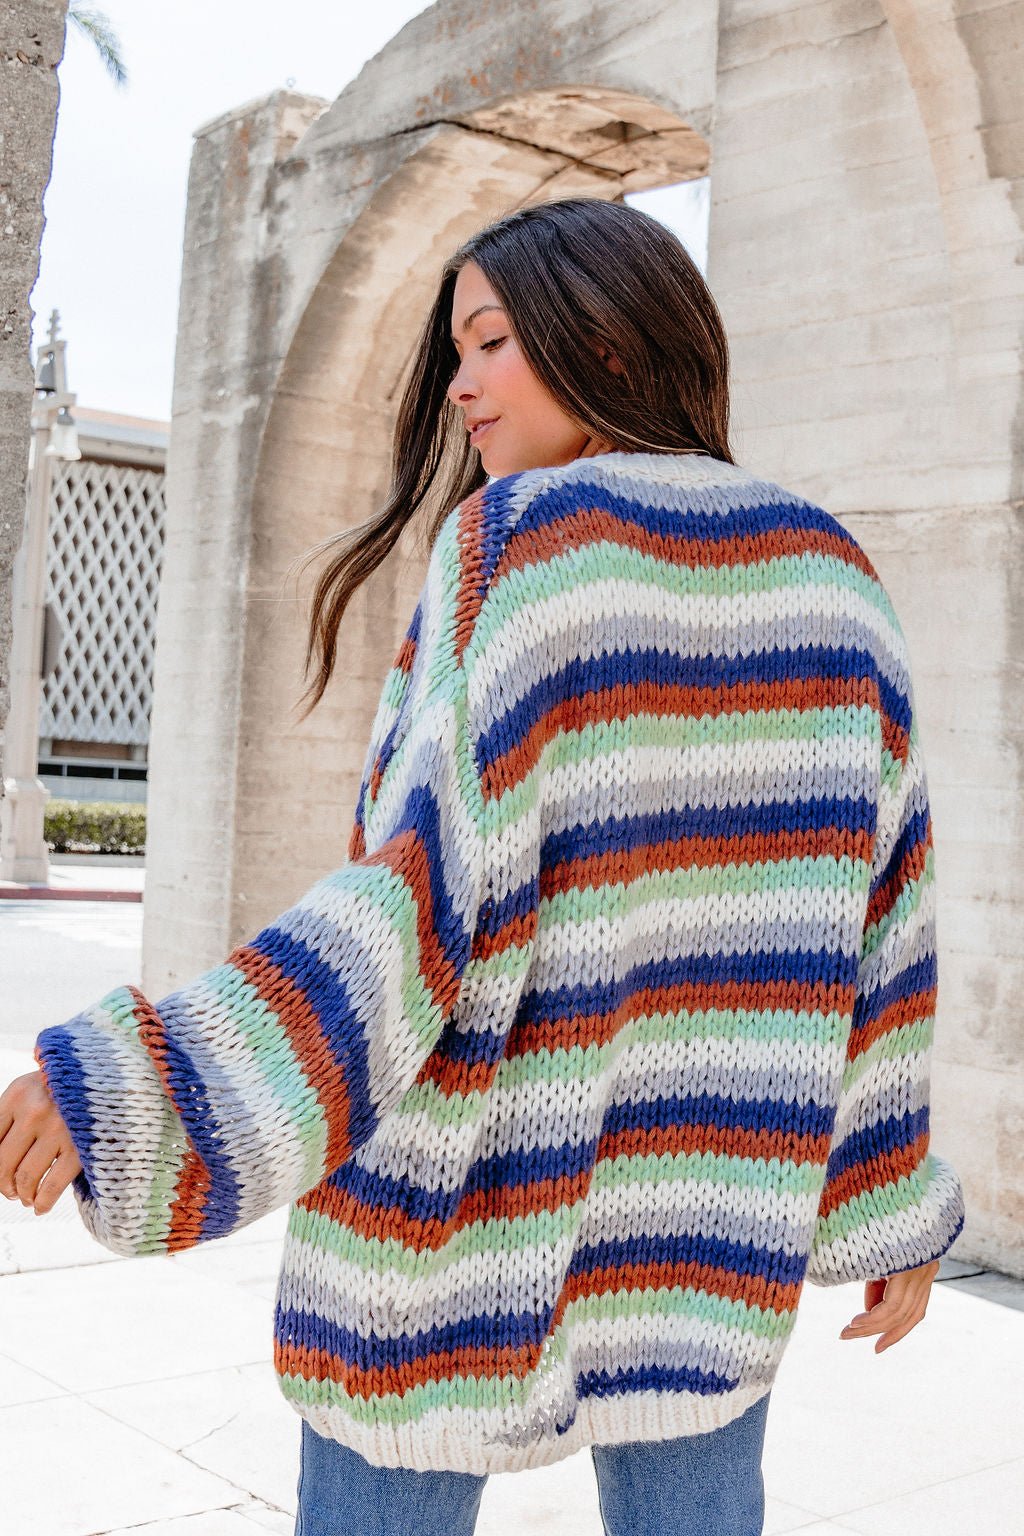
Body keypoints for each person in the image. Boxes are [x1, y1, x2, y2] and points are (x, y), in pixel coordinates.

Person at [0, 196, 965, 1536]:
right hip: (707, 1237)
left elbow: (408, 913)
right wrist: (887, 1207)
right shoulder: (836, 577)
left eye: (494, 339)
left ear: (611, 341)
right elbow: (886, 928)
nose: (460, 382)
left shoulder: (519, 544)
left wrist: (138, 1081)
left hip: (453, 1227)